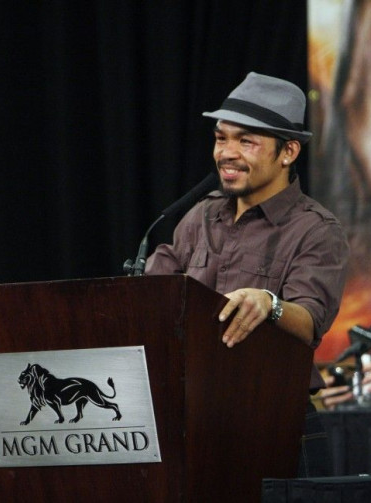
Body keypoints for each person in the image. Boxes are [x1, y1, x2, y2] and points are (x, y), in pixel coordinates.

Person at [145, 72, 350, 477]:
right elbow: (155, 295)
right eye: (222, 138)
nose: (227, 152)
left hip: (276, 423)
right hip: (193, 421)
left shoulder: (316, 229)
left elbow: (310, 320)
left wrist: (270, 305)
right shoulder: (198, 215)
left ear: (288, 151)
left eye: (246, 141)